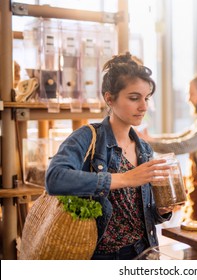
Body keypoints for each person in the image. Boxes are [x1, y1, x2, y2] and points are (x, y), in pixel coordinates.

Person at [45, 52, 172, 260]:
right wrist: (124, 178)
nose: (143, 107)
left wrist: (163, 210)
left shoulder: (145, 149)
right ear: (109, 98)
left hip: (145, 251)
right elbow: (54, 179)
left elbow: (141, 216)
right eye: (134, 98)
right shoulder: (87, 137)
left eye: (146, 98)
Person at [139, 74, 197, 221]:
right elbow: (179, 137)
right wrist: (150, 139)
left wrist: (148, 142)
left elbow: (185, 145)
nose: (188, 98)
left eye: (191, 93)